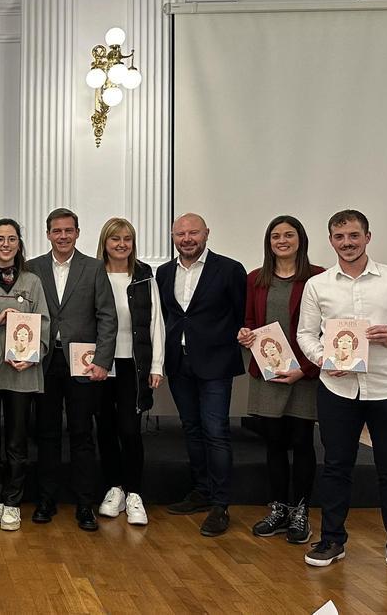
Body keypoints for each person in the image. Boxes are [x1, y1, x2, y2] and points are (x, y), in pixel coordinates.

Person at [296, 210, 387, 582]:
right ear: (331, 241)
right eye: (340, 237)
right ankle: (331, 541)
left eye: (354, 236)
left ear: (368, 237)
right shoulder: (319, 285)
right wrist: (325, 360)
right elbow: (305, 335)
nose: (347, 243)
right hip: (338, 389)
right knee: (337, 468)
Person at [156, 212, 246, 537]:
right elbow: (166, 316)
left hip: (216, 364)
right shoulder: (163, 273)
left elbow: (240, 314)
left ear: (207, 233)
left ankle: (221, 505)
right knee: (191, 429)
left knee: (216, 431)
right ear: (172, 235)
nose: (187, 239)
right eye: (181, 234)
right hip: (180, 363)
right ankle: (201, 492)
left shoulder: (230, 269)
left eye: (193, 232)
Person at [26, 208, 117, 530]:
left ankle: (84, 505)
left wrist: (104, 361)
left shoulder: (93, 269)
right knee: (47, 434)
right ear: (48, 234)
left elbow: (107, 316)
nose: (62, 236)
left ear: (77, 233)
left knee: (82, 435)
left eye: (68, 230)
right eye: (56, 231)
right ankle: (46, 500)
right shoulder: (32, 268)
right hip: (45, 361)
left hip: (83, 363)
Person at [235, 215, 323, 544]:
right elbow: (248, 320)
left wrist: (305, 368)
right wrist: (244, 333)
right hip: (268, 374)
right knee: (273, 443)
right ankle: (279, 509)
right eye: (275, 236)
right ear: (268, 243)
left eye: (288, 235)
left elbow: (326, 329)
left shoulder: (318, 278)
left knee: (301, 443)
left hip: (304, 374)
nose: (282, 241)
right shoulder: (256, 278)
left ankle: (301, 510)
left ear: (300, 239)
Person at [0, 218, 49, 533]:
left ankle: (13, 502)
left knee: (17, 440)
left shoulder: (32, 282)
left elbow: (43, 322)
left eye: (12, 239)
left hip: (21, 374)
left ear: (19, 244)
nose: (6, 244)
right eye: (0, 238)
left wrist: (33, 356)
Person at [94, 218, 163, 527]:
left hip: (132, 364)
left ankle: (134, 492)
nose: (121, 244)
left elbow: (155, 322)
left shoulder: (144, 275)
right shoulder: (93, 274)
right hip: (100, 363)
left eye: (127, 239)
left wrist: (156, 365)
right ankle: (114, 488)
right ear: (105, 243)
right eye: (115, 239)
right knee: (105, 429)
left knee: (130, 430)